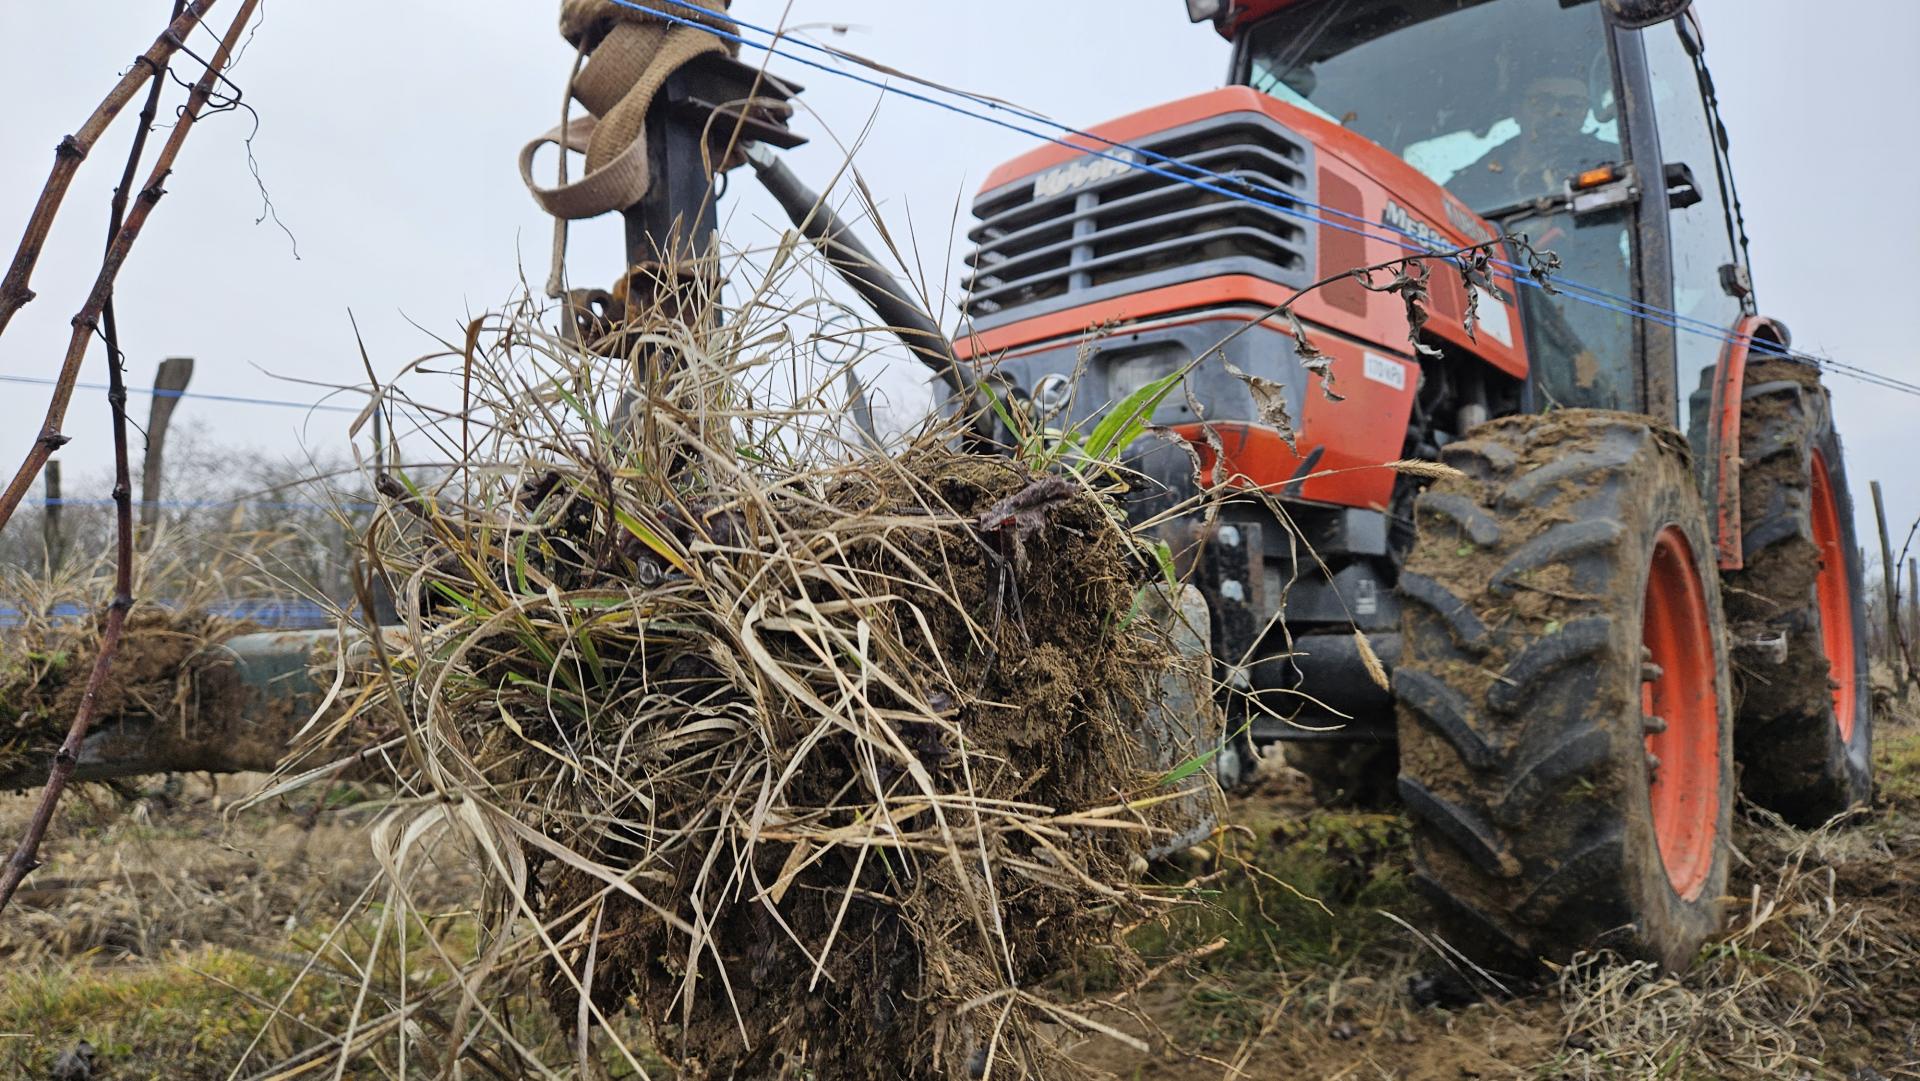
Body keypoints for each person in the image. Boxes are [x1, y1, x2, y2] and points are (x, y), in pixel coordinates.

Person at [1448, 74, 1621, 211]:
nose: (1556, 112)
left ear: (1585, 113)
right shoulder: (1473, 183)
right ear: (1517, 110)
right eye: (1542, 102)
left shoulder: (1613, 161)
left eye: (1573, 104)